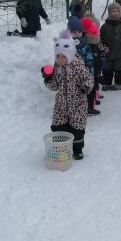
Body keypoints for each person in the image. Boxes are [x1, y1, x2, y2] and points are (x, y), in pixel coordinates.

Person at [41, 30, 94, 160]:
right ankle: (62, 149)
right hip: (61, 105)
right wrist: (48, 78)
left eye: (63, 56)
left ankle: (77, 150)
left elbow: (89, 79)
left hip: (78, 105)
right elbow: (54, 86)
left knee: (77, 129)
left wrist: (85, 87)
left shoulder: (78, 66)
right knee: (58, 126)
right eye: (58, 56)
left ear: (70, 54)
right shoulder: (57, 67)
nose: (60, 59)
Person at [100, 2, 121, 91]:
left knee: (119, 69)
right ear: (109, 13)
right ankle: (107, 83)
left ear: (120, 12)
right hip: (108, 52)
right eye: (113, 11)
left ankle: (119, 83)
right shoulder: (105, 26)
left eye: (117, 11)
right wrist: (101, 48)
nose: (115, 13)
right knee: (107, 69)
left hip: (120, 53)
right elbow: (101, 38)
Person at [81, 16, 103, 116]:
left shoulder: (83, 45)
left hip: (85, 73)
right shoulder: (93, 47)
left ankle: (88, 105)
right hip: (91, 73)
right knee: (91, 90)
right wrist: (98, 74)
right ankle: (89, 108)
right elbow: (96, 62)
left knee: (88, 90)